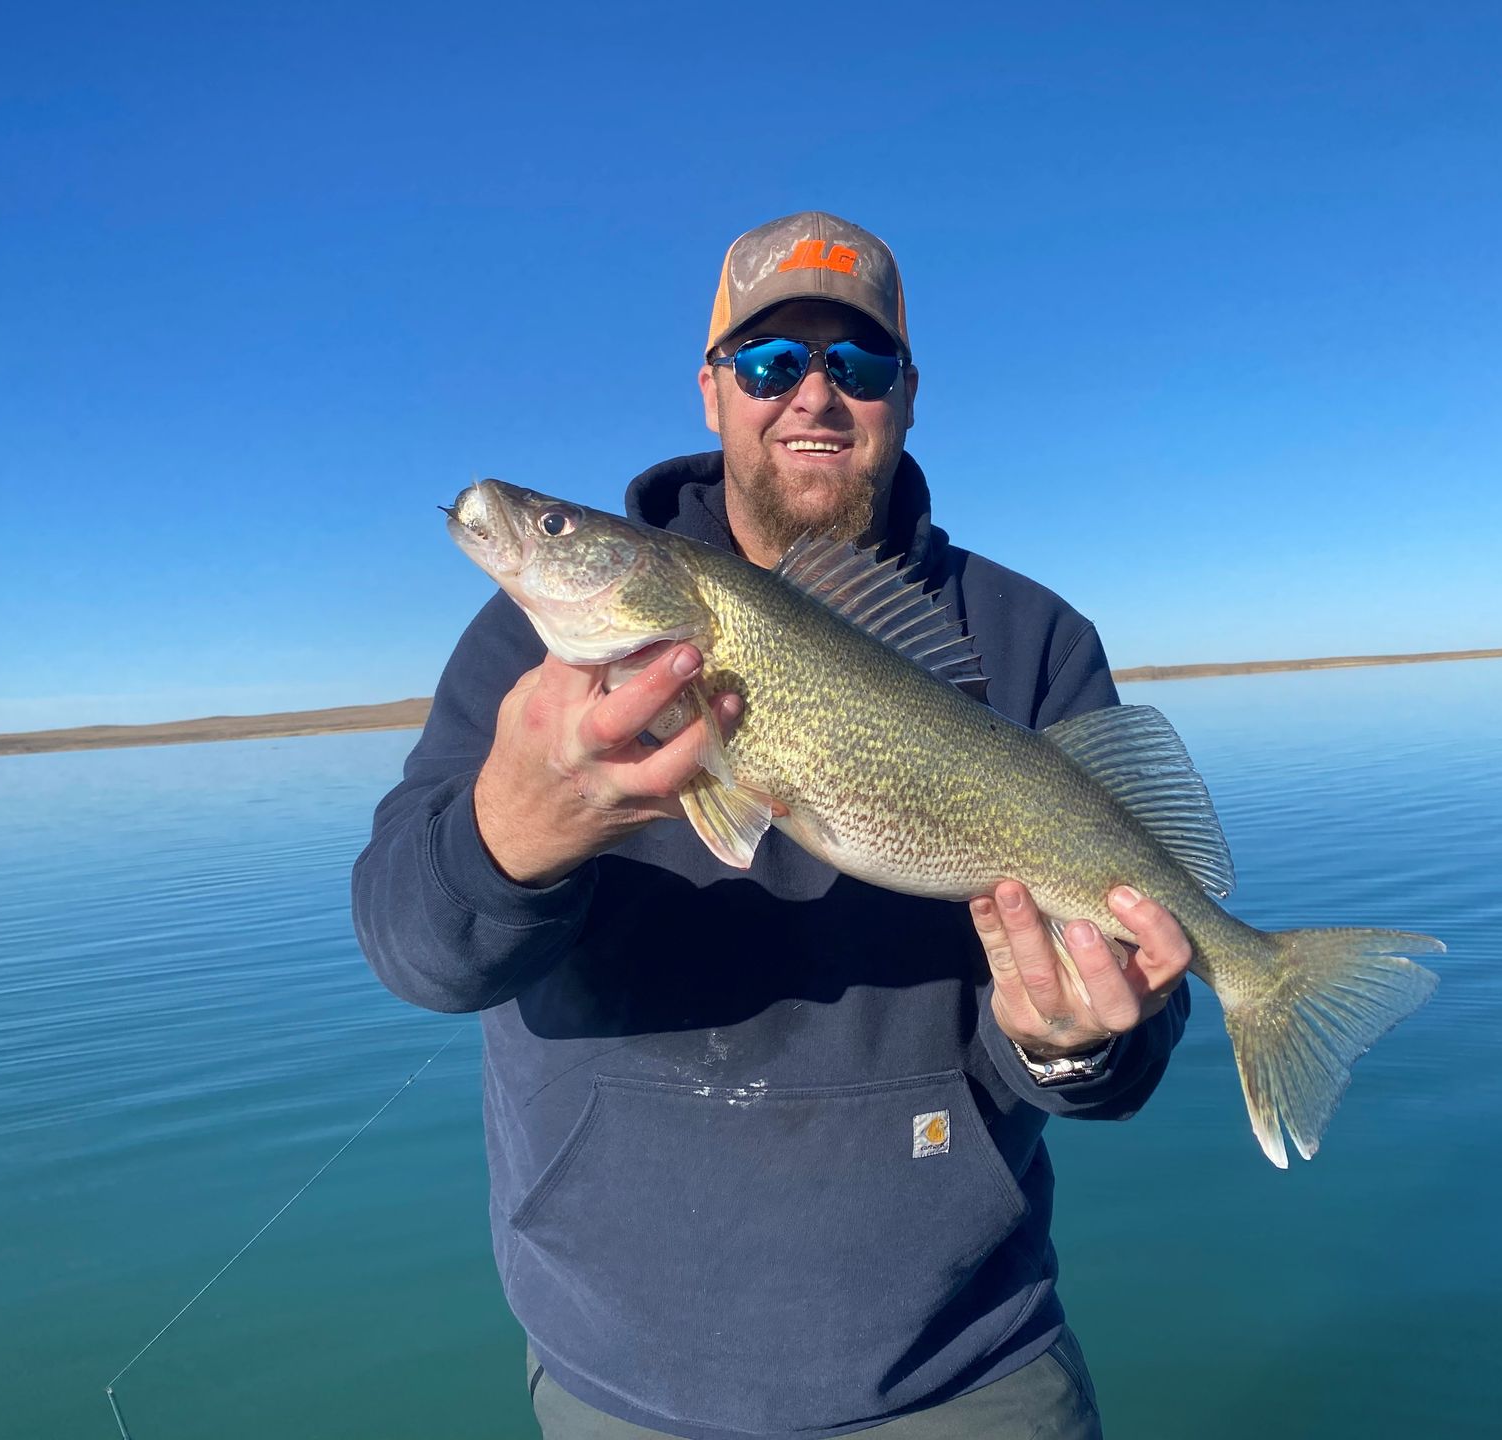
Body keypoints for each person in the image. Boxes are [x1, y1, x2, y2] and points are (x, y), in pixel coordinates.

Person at [352, 212, 1194, 1440]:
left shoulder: (1034, 644)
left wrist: (1073, 1045)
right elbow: (414, 951)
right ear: (711, 392)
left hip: (964, 1374)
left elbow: (1120, 1049)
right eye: (768, 364)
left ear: (906, 397)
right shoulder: (530, 656)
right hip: (620, 1386)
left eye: (855, 366)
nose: (813, 396)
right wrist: (509, 834)